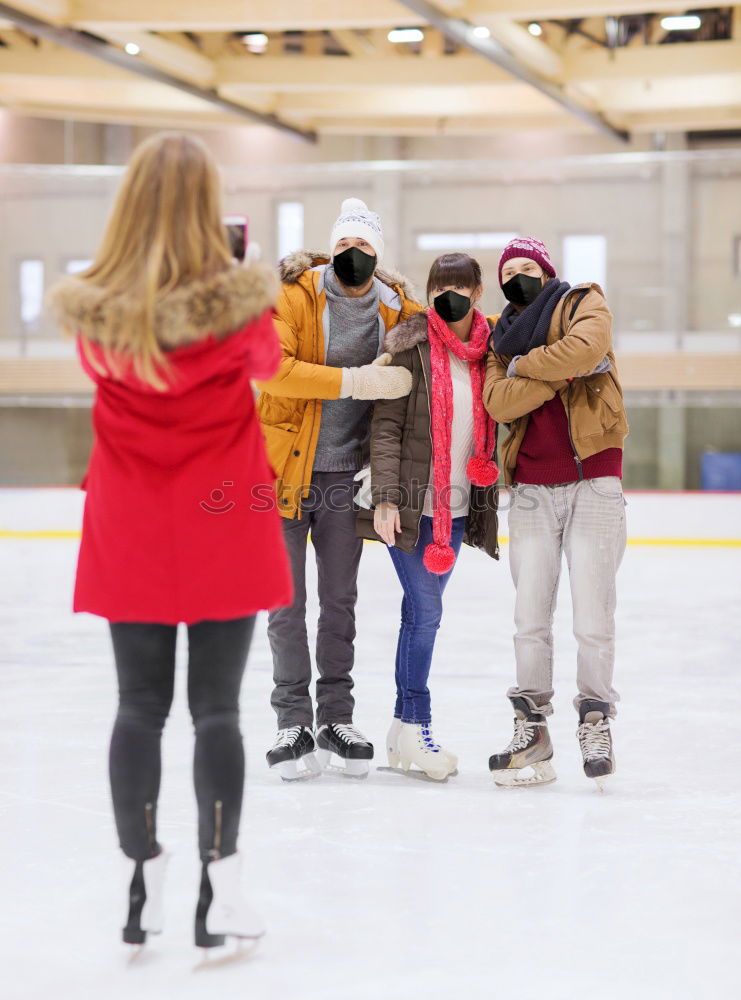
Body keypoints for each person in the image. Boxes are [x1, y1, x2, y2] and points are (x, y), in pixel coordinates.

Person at [48, 133, 292, 949]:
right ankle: (220, 892)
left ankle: (141, 883)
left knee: (138, 708)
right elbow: (268, 360)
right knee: (217, 712)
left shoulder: (98, 322)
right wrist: (234, 279)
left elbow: (114, 357)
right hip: (225, 515)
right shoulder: (243, 312)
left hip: (131, 521)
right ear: (205, 212)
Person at [256, 198, 419, 780]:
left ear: (379, 254)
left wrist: (386, 471)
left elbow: (445, 350)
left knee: (339, 602)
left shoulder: (400, 311)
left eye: (366, 248)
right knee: (285, 602)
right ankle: (292, 721)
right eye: (346, 246)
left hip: (345, 478)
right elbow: (271, 367)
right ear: (334, 248)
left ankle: (335, 717)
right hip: (283, 471)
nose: (355, 255)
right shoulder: (295, 295)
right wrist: (357, 379)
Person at [482, 236, 629, 788]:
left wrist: (529, 370)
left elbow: (588, 349)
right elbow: (500, 403)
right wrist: (561, 370)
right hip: (531, 489)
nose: (518, 275)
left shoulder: (584, 301)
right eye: (509, 270)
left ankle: (595, 717)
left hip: (594, 477)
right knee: (529, 619)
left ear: (547, 270)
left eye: (528, 267)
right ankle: (532, 728)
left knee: (593, 616)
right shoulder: (500, 339)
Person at [356, 253, 499, 780]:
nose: (449, 297)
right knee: (426, 613)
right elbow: (387, 429)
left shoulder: (490, 353)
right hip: (414, 510)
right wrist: (387, 498)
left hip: (459, 512)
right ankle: (418, 726)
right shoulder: (412, 349)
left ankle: (399, 728)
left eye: (460, 287)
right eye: (441, 287)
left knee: (419, 616)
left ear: (479, 292)